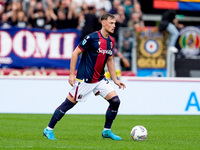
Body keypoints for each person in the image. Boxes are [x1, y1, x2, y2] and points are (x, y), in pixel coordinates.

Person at [43, 13, 126, 141]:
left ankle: (107, 131)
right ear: (103, 23)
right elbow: (75, 52)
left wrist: (115, 79)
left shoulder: (111, 41)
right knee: (68, 104)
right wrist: (72, 74)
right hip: (85, 80)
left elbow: (109, 60)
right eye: (111, 23)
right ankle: (48, 129)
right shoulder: (91, 38)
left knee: (115, 101)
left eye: (114, 23)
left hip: (99, 79)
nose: (114, 26)